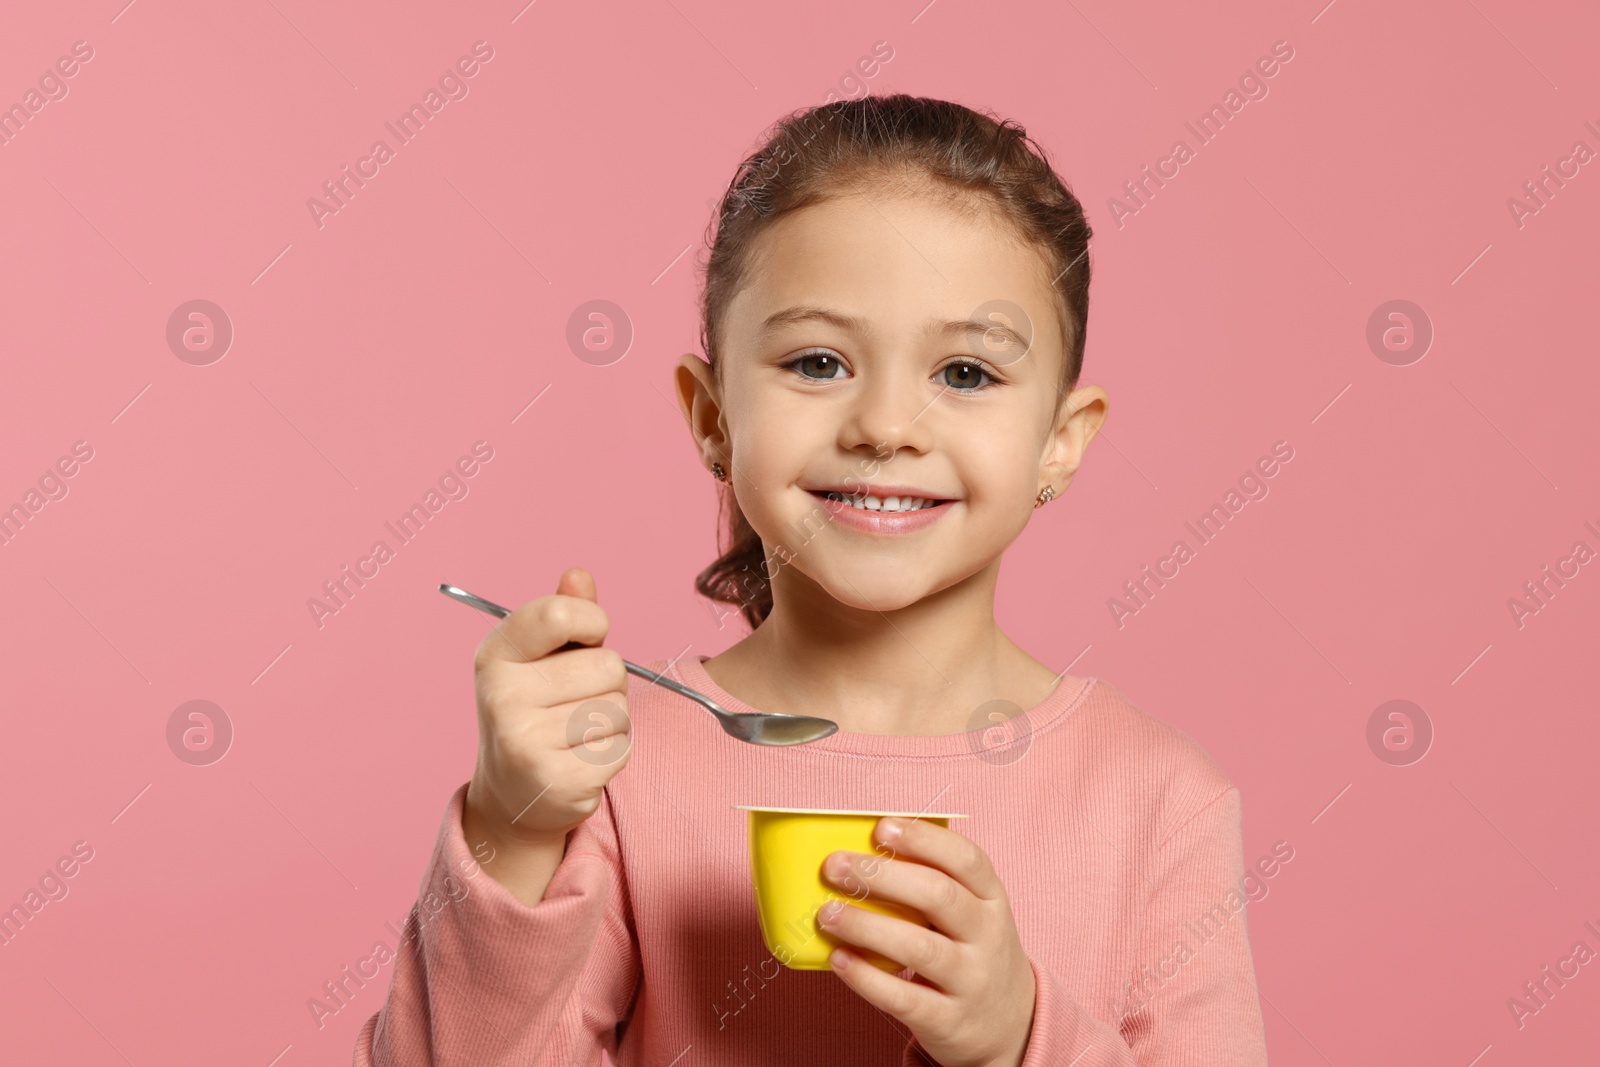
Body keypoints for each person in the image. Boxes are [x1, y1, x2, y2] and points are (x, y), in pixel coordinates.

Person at [354, 93, 1269, 1066]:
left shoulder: (1160, 802)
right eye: (819, 360)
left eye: (964, 372)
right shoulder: (614, 768)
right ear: (713, 417)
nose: (884, 424)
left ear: (1059, 441)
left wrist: (1018, 1034)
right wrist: (511, 825)